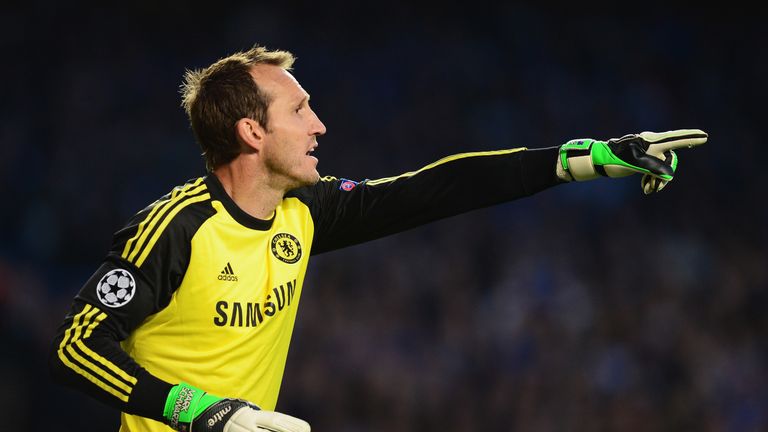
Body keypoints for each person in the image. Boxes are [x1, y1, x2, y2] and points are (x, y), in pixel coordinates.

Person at [49, 45, 707, 432]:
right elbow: (75, 349)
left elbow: (435, 189)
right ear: (252, 133)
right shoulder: (175, 229)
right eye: (300, 110)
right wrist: (204, 412)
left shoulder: (302, 212)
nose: (320, 125)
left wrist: (581, 158)